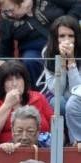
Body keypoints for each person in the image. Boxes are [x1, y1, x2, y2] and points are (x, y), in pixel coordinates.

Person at [0, 0, 80, 87]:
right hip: (35, 52)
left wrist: (66, 24)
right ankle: (40, 96)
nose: (9, 14)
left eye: (11, 10)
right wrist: (1, 71)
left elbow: (78, 5)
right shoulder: (6, 19)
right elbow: (4, 51)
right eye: (5, 11)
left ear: (22, 2)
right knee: (30, 61)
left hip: (65, 41)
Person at [0, 59, 52, 146]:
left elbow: (55, 128)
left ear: (25, 80)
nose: (14, 84)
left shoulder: (38, 98)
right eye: (9, 80)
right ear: (2, 84)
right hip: (4, 152)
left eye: (18, 78)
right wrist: (7, 105)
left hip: (38, 150)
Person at [40, 14, 81, 142]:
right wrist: (62, 62)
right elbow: (57, 90)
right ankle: (65, 140)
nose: (66, 40)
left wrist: (71, 60)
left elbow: (77, 89)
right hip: (61, 96)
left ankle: (76, 141)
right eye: (62, 36)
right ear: (55, 38)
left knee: (71, 103)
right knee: (57, 102)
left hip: (77, 98)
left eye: (71, 36)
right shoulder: (47, 51)